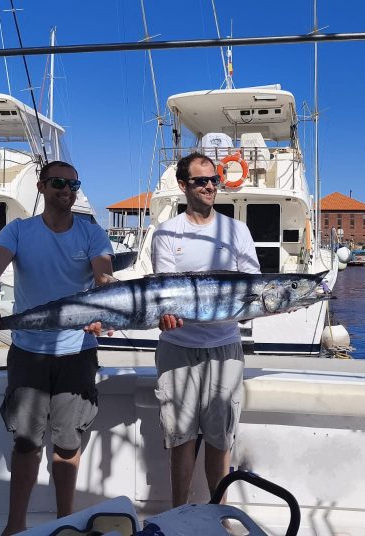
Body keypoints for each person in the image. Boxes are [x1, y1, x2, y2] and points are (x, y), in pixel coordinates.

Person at [0, 160, 114, 536]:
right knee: (26, 442)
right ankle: (14, 527)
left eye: (73, 184)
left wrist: (103, 303)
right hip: (29, 353)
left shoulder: (92, 233)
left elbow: (103, 276)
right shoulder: (19, 231)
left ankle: (66, 522)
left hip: (77, 352)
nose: (66, 189)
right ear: (41, 187)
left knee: (68, 443)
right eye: (58, 183)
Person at [152, 152, 260, 507]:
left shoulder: (236, 230)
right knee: (180, 438)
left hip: (224, 348)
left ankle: (219, 515)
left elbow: (252, 287)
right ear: (184, 186)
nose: (210, 185)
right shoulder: (167, 232)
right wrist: (166, 314)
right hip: (177, 347)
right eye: (201, 180)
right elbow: (165, 292)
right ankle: (178, 513)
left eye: (214, 179)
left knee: (220, 439)